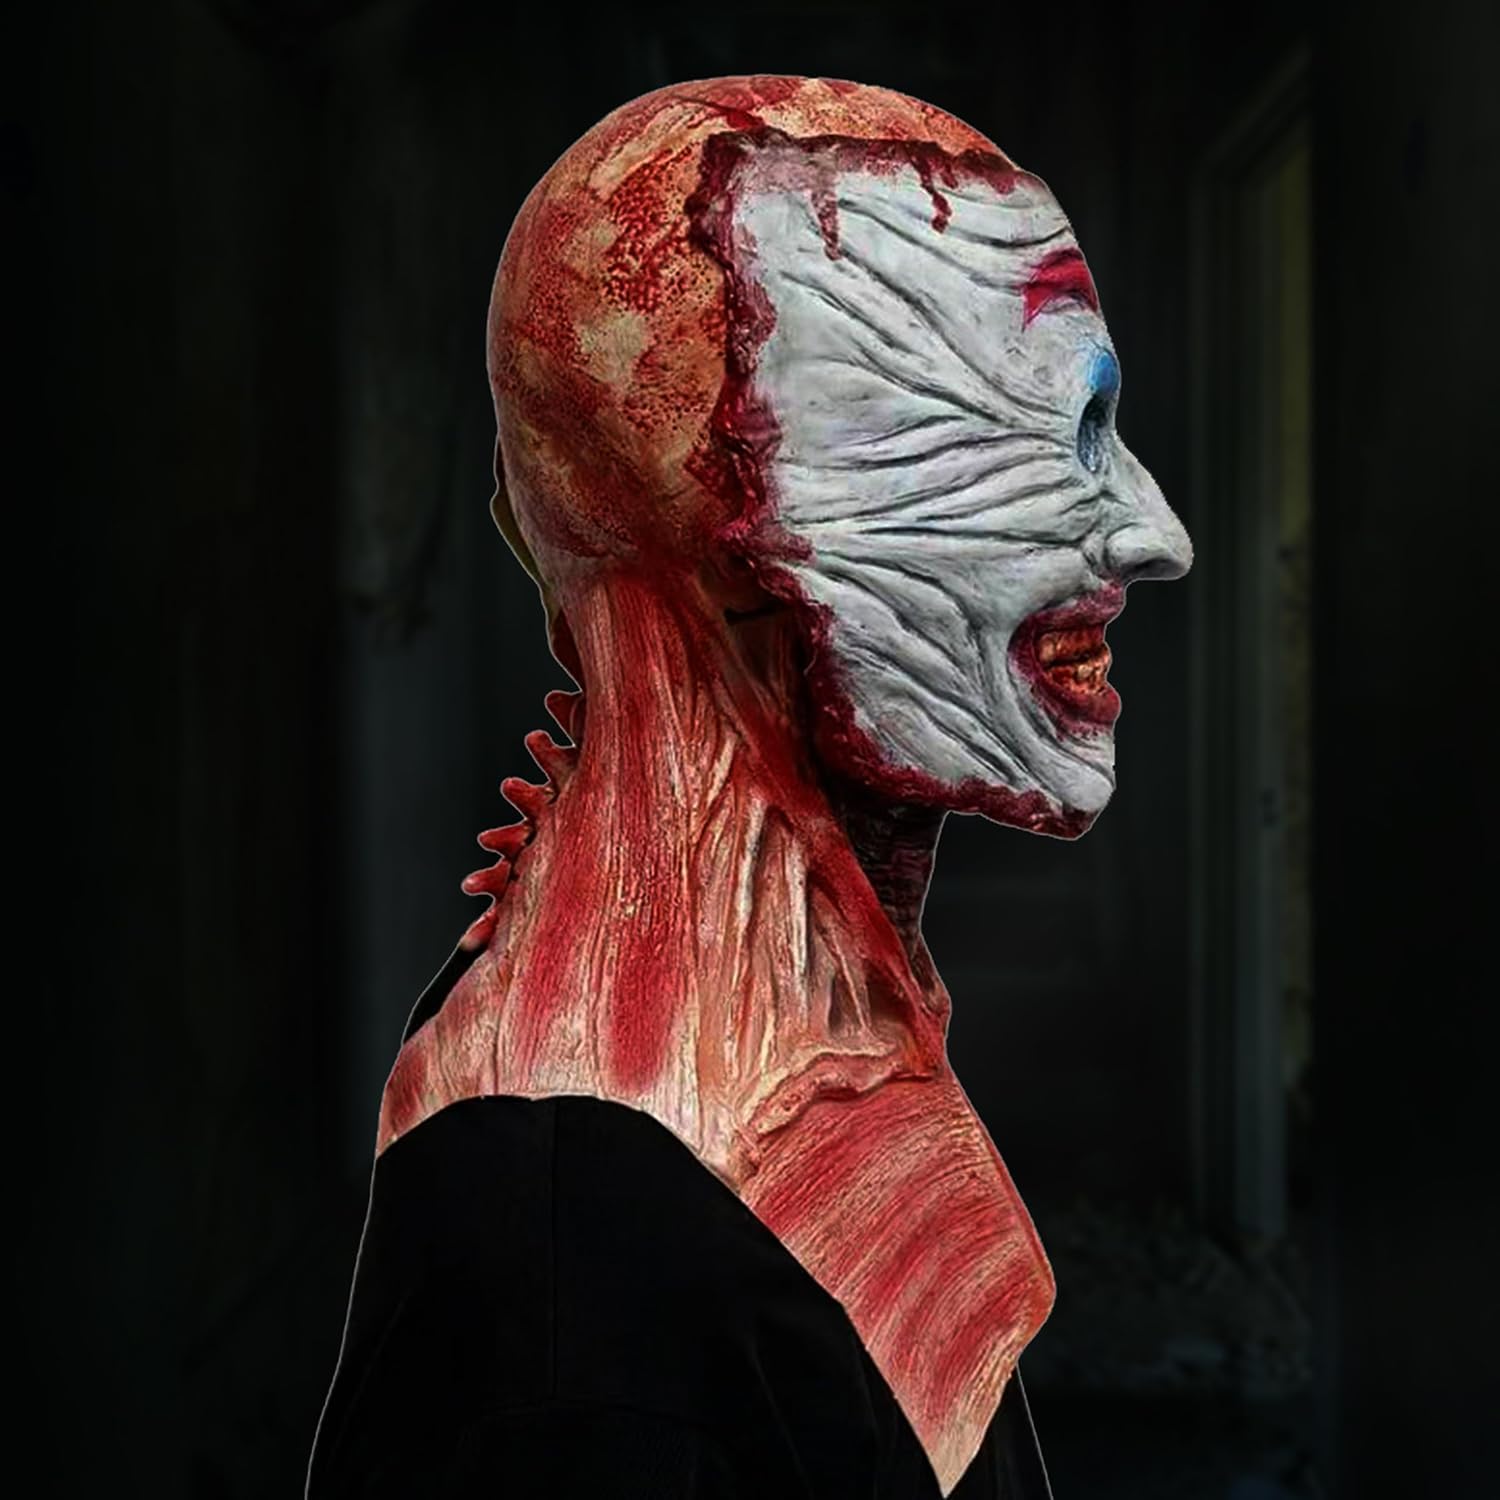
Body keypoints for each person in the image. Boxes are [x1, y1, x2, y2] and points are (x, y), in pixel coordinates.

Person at [307, 73, 1191, 1499]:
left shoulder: (787, 1060)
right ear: (739, 539)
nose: (1157, 531)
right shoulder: (570, 1271)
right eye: (1035, 438)